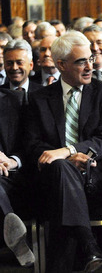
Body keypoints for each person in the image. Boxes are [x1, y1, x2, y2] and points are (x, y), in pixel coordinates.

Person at [23, 30, 102, 273]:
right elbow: (32, 145)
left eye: (91, 59)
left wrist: (68, 151)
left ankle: (86, 253)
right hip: (51, 180)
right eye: (81, 61)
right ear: (61, 65)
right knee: (60, 168)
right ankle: (90, 249)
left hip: (95, 177)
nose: (90, 66)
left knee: (61, 171)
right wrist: (64, 159)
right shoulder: (39, 98)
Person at [0, 87, 36, 268]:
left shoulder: (15, 99)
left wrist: (12, 161)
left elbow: (31, 144)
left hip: (11, 177)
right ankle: (16, 239)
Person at [0, 39, 42, 104]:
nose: (14, 68)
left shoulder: (43, 93)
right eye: (9, 63)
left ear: (31, 65)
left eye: (19, 63)